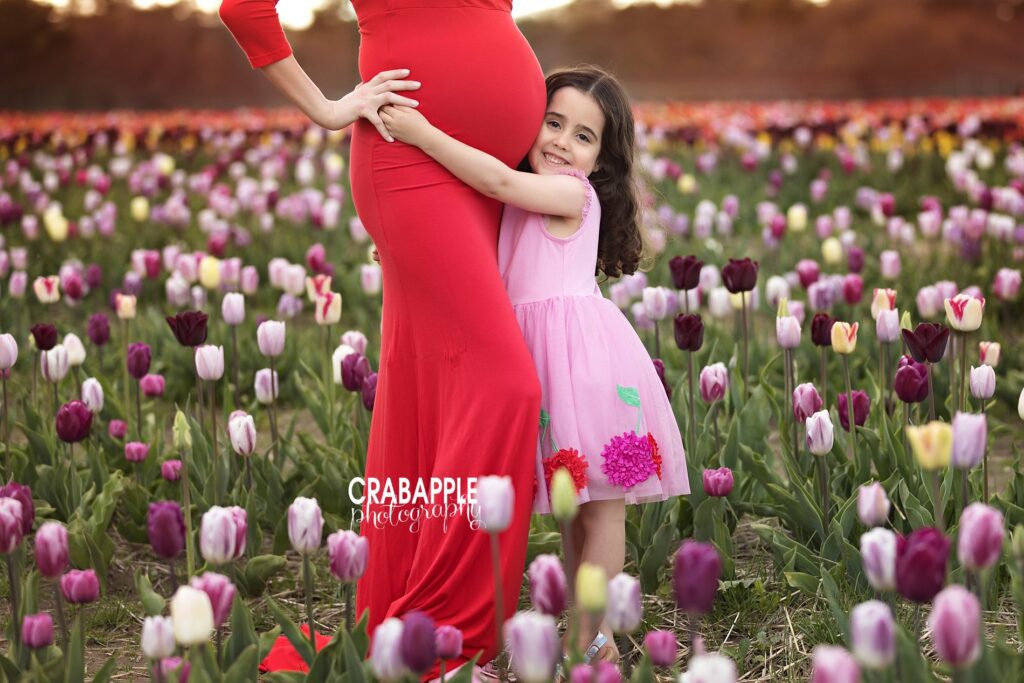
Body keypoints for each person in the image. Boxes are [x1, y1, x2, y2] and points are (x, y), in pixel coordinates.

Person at [218, 0, 545, 678]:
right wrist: (330, 107)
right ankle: (448, 631)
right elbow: (244, 8)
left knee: (433, 386)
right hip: (409, 167)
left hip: (487, 174)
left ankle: (414, 619)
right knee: (508, 383)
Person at [382, 65, 689, 664]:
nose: (559, 142)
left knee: (600, 509)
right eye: (553, 122)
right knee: (571, 515)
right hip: (536, 367)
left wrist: (421, 133)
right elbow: (474, 232)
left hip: (585, 367)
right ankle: (585, 632)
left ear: (601, 160)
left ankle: (593, 640)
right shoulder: (524, 197)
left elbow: (495, 178)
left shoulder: (572, 193)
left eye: (582, 135)